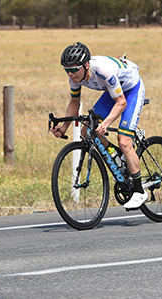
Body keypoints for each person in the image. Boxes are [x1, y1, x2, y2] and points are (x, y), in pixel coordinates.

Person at [50, 42, 148, 209]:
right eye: (67, 69)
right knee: (86, 130)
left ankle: (139, 191)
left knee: (124, 141)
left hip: (131, 91)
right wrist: (64, 127)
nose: (70, 74)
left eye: (74, 69)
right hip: (112, 91)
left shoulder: (103, 71)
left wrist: (107, 123)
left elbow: (121, 102)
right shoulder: (75, 77)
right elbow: (74, 102)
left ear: (86, 65)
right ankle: (115, 153)